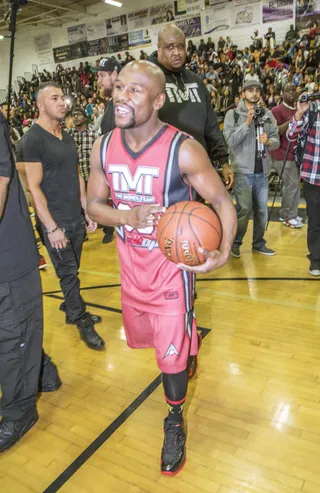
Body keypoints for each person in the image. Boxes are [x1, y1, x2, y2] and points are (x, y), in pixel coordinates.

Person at [87, 60, 237, 475]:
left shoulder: (184, 148)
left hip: (172, 271)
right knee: (152, 342)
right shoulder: (103, 147)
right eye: (119, 87)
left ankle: (174, 419)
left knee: (168, 359)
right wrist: (127, 217)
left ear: (158, 100)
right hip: (130, 268)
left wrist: (223, 250)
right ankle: (188, 345)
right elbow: (93, 206)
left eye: (135, 90)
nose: (121, 96)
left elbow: (222, 201)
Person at [16, 82, 105, 351]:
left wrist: (86, 209)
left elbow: (78, 175)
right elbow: (34, 188)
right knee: (68, 274)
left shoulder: (66, 137)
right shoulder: (31, 140)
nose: (62, 102)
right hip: (54, 221)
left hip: (74, 216)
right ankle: (80, 319)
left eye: (62, 97)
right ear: (41, 105)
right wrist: (51, 227)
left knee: (73, 268)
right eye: (54, 98)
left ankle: (71, 306)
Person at [0, 110, 61, 453]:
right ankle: (42, 371)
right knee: (12, 332)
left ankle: (19, 410)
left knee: (11, 333)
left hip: (7, 256)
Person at [149, 25, 234, 189]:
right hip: (163, 174)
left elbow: (211, 125)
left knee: (198, 214)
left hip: (197, 170)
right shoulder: (148, 80)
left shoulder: (196, 81)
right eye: (170, 47)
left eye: (181, 46)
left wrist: (224, 161)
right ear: (159, 48)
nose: (177, 52)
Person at [223, 80, 280, 258]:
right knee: (244, 210)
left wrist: (269, 142)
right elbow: (230, 141)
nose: (254, 93)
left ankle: (258, 243)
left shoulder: (268, 114)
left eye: (257, 90)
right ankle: (236, 243)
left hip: (262, 172)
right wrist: (247, 123)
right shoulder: (233, 114)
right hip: (242, 171)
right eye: (250, 90)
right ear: (243, 93)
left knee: (262, 211)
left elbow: (276, 140)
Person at [287, 95, 320, 276]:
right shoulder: (313, 110)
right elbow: (292, 135)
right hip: (314, 176)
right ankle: (316, 260)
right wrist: (299, 113)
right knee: (315, 221)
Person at [92, 58, 122, 244]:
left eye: (102, 75)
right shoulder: (112, 104)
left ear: (115, 74)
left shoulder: (123, 103)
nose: (98, 80)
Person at [271, 83, 303, 228]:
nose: (292, 93)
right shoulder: (276, 110)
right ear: (282, 94)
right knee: (292, 185)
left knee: (291, 185)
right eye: (288, 91)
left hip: (296, 154)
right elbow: (275, 131)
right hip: (282, 153)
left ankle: (288, 213)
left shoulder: (299, 109)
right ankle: (289, 216)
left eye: (293, 90)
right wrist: (293, 120)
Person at [69, 107, 99, 184]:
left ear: (85, 118)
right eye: (73, 115)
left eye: (78, 114)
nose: (75, 117)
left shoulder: (94, 135)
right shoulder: (68, 136)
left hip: (92, 178)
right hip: (74, 179)